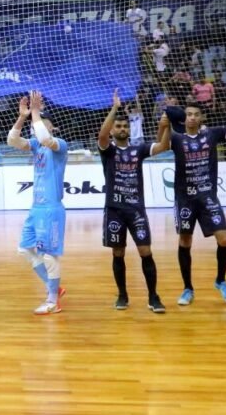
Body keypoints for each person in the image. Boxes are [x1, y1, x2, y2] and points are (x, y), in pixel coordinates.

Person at [172, 88, 226, 306]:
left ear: (201, 118)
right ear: (184, 118)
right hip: (185, 199)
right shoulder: (176, 139)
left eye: (196, 114)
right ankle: (187, 288)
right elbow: (159, 144)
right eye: (188, 114)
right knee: (185, 241)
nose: (192, 117)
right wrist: (164, 124)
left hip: (208, 198)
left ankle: (221, 280)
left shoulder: (211, 134)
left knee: (225, 240)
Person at [97, 89, 171, 313]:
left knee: (145, 251)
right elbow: (102, 136)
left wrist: (166, 126)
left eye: (125, 126)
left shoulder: (138, 149)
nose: (122, 129)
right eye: (118, 126)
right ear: (113, 130)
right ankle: (122, 294)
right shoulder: (108, 151)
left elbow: (163, 146)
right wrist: (115, 108)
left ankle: (153, 297)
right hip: (114, 210)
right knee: (117, 253)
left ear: (129, 130)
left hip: (136, 210)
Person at [7, 91, 67, 315]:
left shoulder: (59, 145)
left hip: (52, 209)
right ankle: (55, 288)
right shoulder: (35, 145)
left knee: (49, 255)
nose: (36, 124)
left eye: (41, 121)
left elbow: (44, 138)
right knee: (24, 249)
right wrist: (23, 117)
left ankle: (52, 301)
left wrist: (35, 112)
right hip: (36, 208)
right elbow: (12, 140)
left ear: (53, 127)